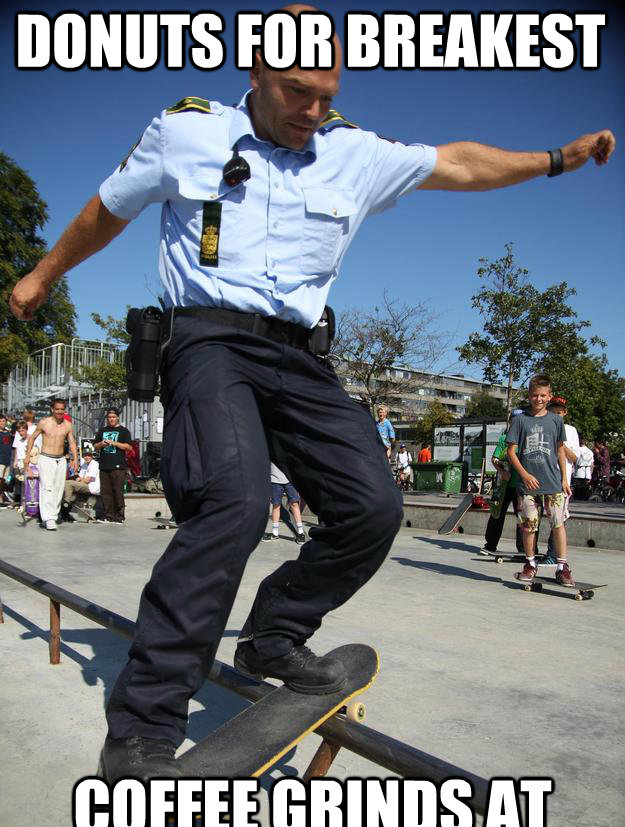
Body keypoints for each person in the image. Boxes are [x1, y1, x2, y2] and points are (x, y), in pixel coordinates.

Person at [9, 3, 614, 782]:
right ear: (254, 72)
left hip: (300, 357)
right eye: (298, 92)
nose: (314, 111)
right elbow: (106, 211)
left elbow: (458, 163)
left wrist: (556, 159)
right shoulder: (186, 131)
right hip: (208, 342)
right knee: (234, 502)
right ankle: (142, 726)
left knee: (373, 506)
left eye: (327, 94)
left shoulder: (351, 151)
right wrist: (42, 275)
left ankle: (274, 634)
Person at [507, 374, 574, 586]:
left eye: (543, 395)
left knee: (558, 523)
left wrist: (564, 478)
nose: (539, 399)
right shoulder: (520, 420)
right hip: (527, 485)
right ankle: (530, 563)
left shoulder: (556, 420)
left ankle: (562, 567)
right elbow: (511, 452)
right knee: (529, 526)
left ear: (550, 396)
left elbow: (560, 450)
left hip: (553, 482)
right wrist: (524, 475)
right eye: (535, 395)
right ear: (529, 395)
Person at [23, 399, 78, 531]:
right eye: (57, 409)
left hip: (61, 459)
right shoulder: (44, 422)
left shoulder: (68, 425)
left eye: (62, 409)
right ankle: (48, 518)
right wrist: (27, 456)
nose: (59, 411)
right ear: (52, 410)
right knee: (47, 488)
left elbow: (71, 442)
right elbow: (32, 438)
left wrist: (75, 458)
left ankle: (53, 514)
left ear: (64, 410)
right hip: (46, 458)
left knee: (58, 489)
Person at [482, 409, 525, 555]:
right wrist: (502, 471)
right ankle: (490, 544)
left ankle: (524, 548)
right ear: (510, 421)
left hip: (521, 485)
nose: (516, 423)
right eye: (514, 420)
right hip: (504, 485)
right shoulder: (504, 439)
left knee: (523, 516)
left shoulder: (526, 438)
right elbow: (494, 459)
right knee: (497, 513)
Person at [543, 397, 580, 564]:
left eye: (559, 412)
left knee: (558, 518)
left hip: (561, 480)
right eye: (553, 412)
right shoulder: (544, 426)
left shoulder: (570, 431)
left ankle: (554, 554)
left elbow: (574, 457)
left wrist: (560, 442)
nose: (556, 415)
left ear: (565, 413)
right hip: (544, 476)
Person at [93, 408, 132, 524]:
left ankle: (119, 517)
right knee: (106, 492)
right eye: (109, 417)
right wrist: (101, 444)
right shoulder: (102, 430)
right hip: (104, 465)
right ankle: (108, 516)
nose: (111, 419)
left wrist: (114, 443)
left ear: (118, 417)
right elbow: (95, 446)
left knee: (117, 491)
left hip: (118, 466)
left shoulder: (124, 431)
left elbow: (128, 447)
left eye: (113, 417)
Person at [263, 462, 306, 543]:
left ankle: (301, 533)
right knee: (276, 506)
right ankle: (275, 534)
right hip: (274, 480)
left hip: (290, 480)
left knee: (294, 504)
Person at [63, 450, 101, 516]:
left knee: (68, 483)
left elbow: (88, 480)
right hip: (86, 485)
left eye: (88, 455)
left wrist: (78, 481)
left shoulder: (94, 464)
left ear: (92, 456)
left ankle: (66, 503)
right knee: (67, 483)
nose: (86, 457)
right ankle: (66, 505)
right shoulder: (84, 464)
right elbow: (80, 477)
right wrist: (79, 480)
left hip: (92, 487)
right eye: (85, 456)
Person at [0, 414, 13, 507]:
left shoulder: (8, 433)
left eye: (3, 421)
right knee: (0, 480)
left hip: (7, 460)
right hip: (0, 461)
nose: (2, 423)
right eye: (0, 421)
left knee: (5, 480)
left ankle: (1, 496)